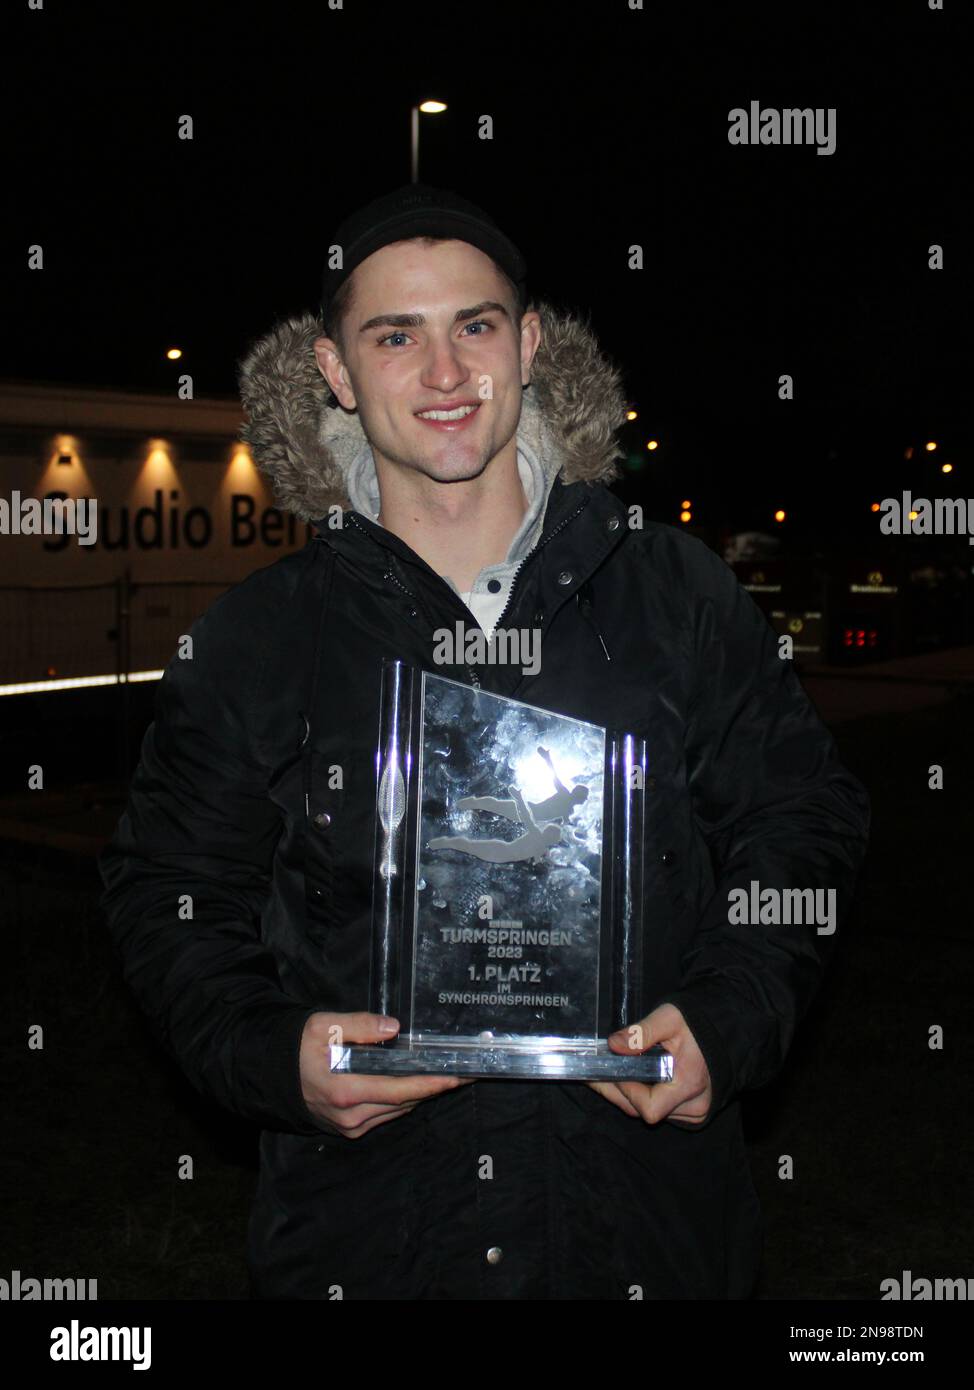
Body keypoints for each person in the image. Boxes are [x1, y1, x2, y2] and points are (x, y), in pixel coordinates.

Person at [99, 182, 870, 1300]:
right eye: (394, 335)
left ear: (529, 342)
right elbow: (166, 886)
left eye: (474, 325)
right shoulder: (261, 635)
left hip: (644, 1230)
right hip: (372, 1239)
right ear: (334, 371)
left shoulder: (670, 591)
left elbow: (801, 820)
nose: (445, 374)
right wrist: (274, 1054)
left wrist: (732, 1013)